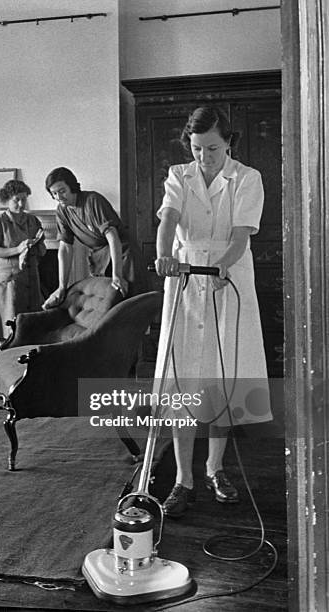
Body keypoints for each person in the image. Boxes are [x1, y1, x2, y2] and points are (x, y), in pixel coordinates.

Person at [154, 106, 272, 518]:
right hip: (185, 281)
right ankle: (183, 478)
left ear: (229, 143)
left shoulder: (246, 178)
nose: (204, 156)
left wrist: (224, 263)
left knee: (221, 377)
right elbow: (168, 220)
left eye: (213, 148)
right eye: (197, 148)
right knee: (184, 377)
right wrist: (163, 255)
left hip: (227, 280)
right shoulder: (179, 175)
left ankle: (215, 468)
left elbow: (241, 235)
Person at [42, 167, 147, 309]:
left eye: (62, 191)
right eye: (54, 193)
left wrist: (117, 274)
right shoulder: (62, 211)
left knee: (129, 304)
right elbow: (65, 247)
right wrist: (62, 287)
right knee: (106, 305)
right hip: (100, 257)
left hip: (123, 255)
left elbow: (112, 236)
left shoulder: (93, 201)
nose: (59, 197)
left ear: (72, 186)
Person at [0, 179, 46, 343]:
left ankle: (25, 362)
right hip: (7, 279)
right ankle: (6, 361)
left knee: (29, 325)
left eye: (24, 198)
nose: (21, 203)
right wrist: (18, 249)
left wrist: (37, 245)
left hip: (30, 276)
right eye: (16, 199)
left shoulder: (33, 221)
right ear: (7, 200)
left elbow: (42, 251)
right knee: (8, 325)